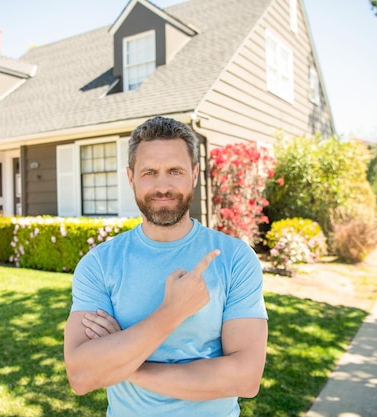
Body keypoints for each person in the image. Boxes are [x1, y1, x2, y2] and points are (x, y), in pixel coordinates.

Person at [63, 116, 269, 416]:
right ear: (131, 177)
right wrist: (172, 312)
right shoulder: (99, 264)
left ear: (195, 174)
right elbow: (81, 377)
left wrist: (123, 365)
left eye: (175, 170)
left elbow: (246, 378)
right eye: (149, 172)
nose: (162, 185)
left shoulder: (235, 258)